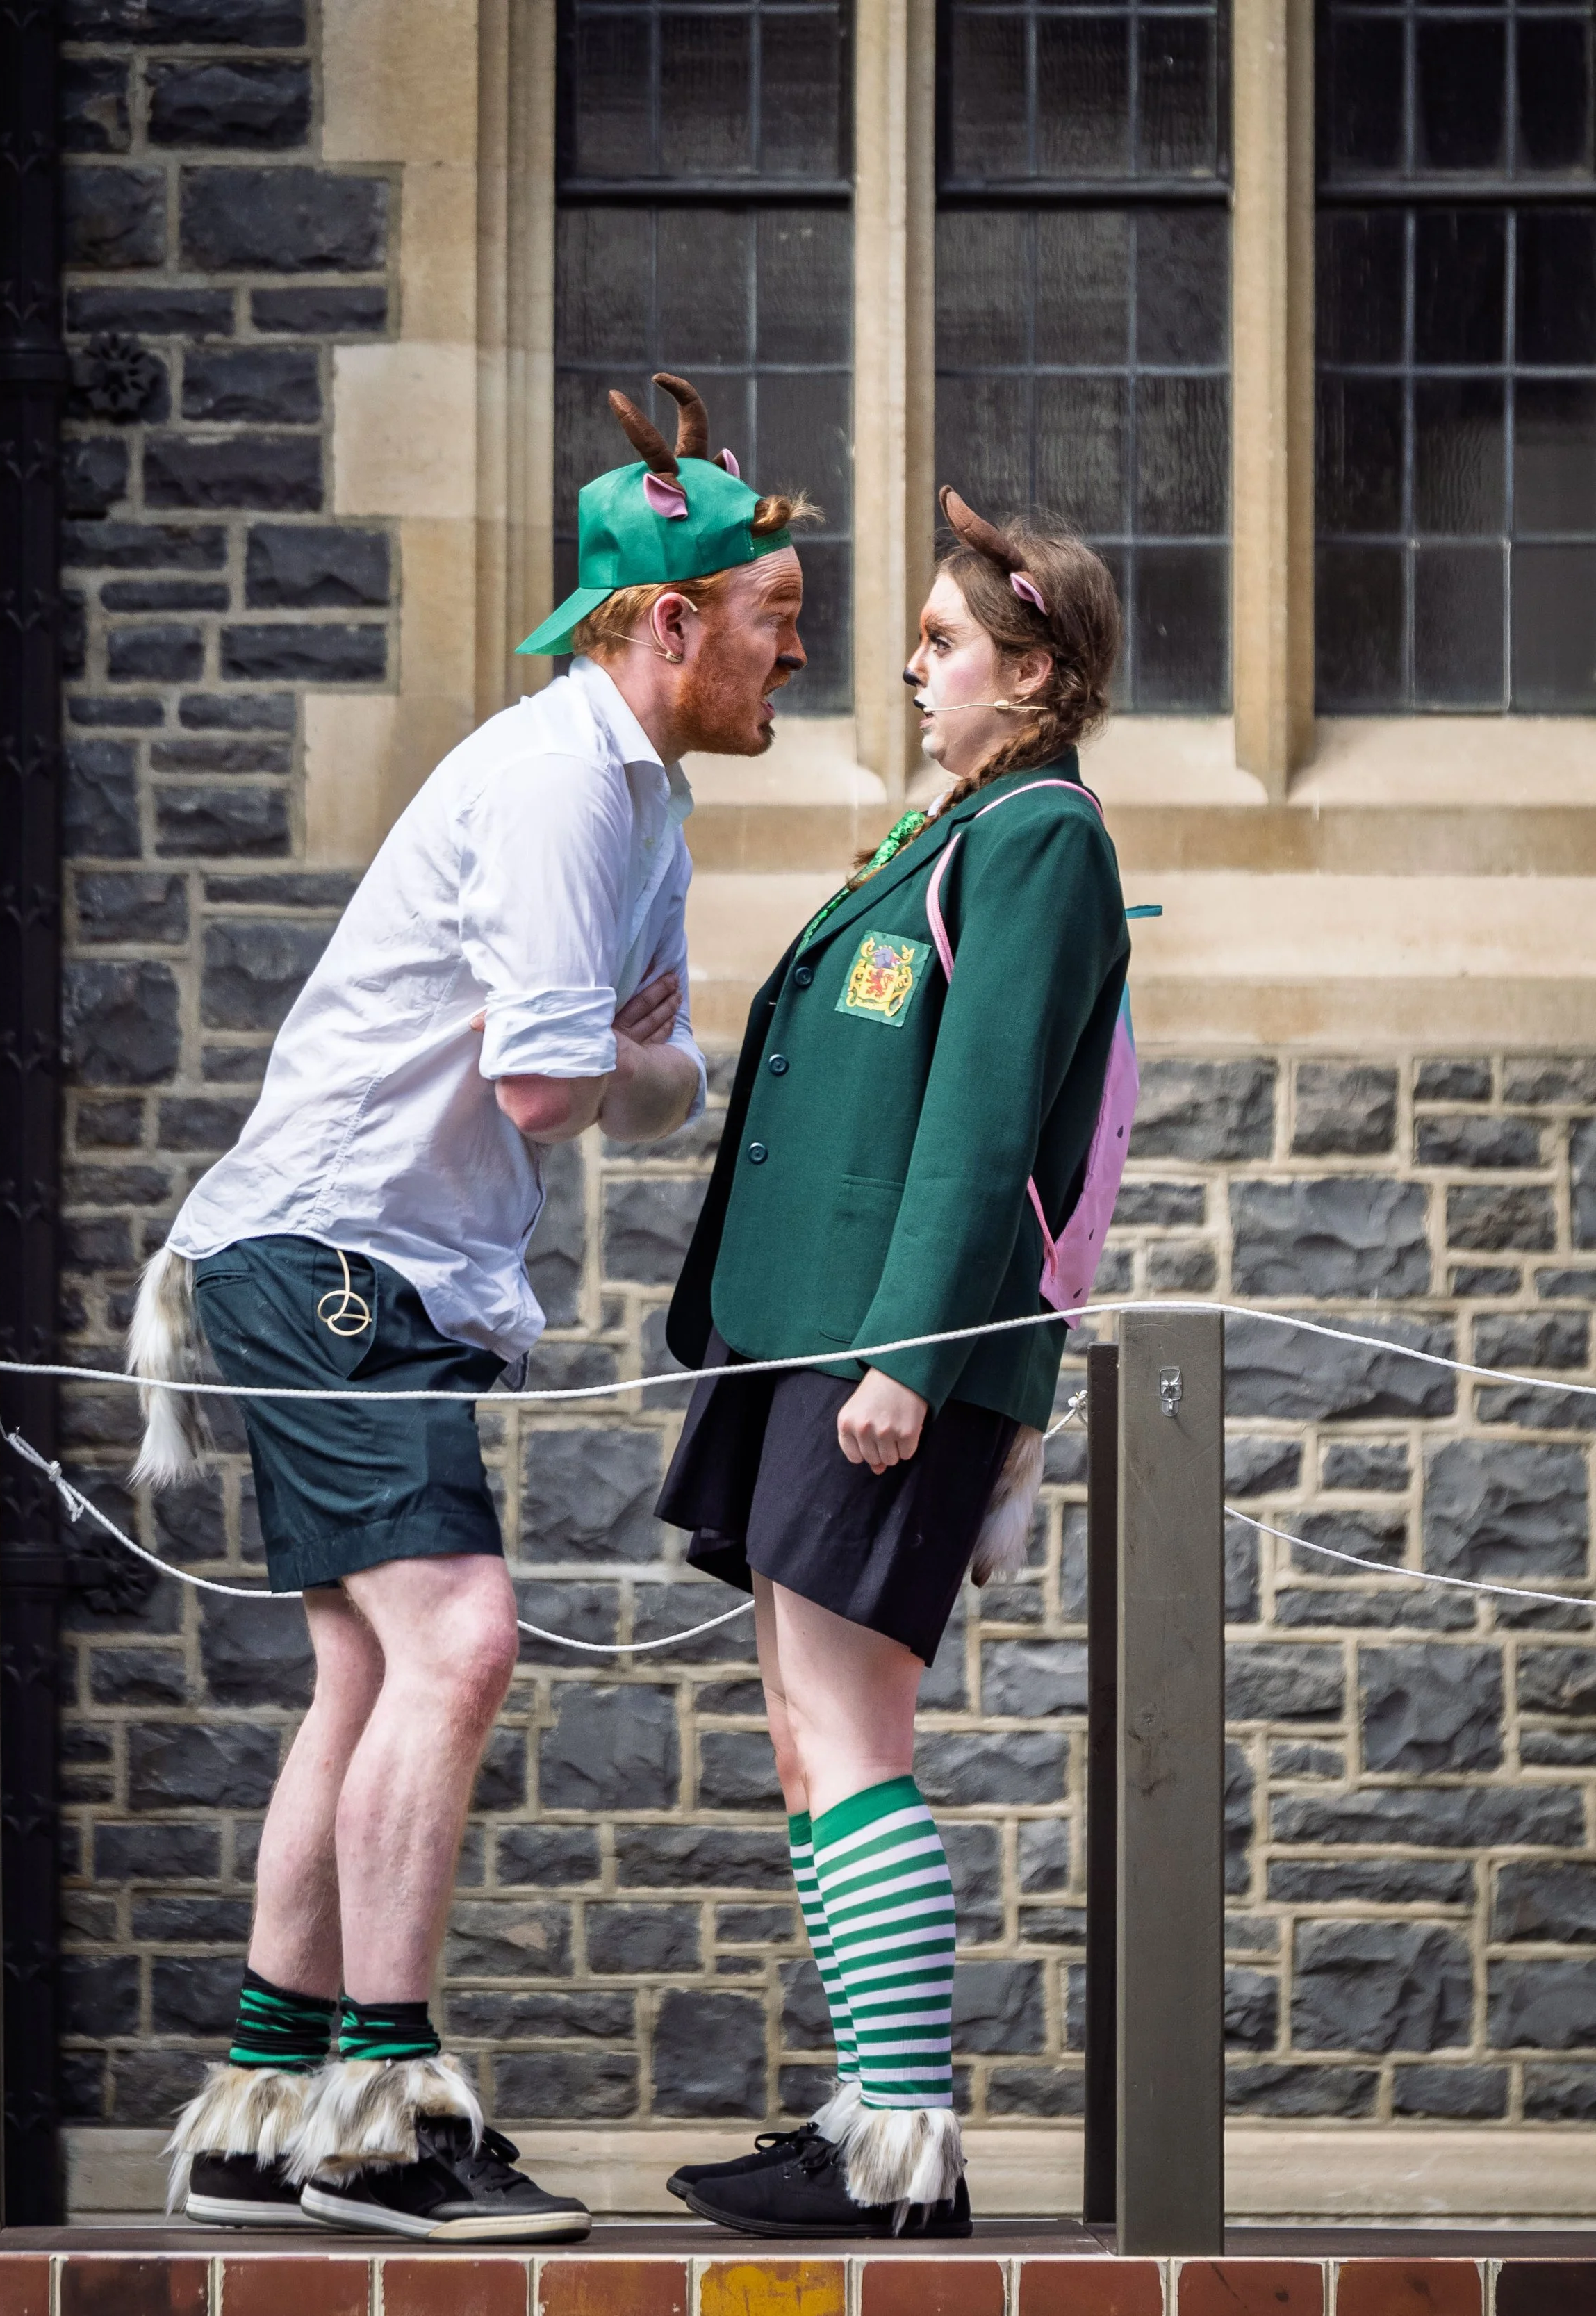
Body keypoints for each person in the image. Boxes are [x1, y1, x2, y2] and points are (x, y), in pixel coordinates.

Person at [133, 375, 816, 2243]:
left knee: (370, 1667)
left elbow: (654, 1070)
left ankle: (256, 2116)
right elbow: (557, 1087)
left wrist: (621, 1054)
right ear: (667, 623)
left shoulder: (635, 799)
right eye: (775, 626)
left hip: (368, 1267)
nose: (797, 659)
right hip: (339, 1260)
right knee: (459, 1645)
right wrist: (621, 1051)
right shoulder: (553, 788)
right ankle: (384, 2115)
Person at [654, 488, 1130, 2239]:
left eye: (943, 644)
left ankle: (898, 2144)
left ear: (1030, 673)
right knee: (806, 1732)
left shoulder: (1039, 841)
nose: (911, 666)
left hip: (885, 1348)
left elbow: (983, 1114)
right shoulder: (951, 826)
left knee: (850, 1728)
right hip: (809, 1336)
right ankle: (866, 2112)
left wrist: (913, 1357)